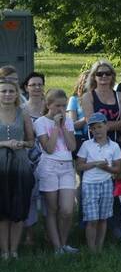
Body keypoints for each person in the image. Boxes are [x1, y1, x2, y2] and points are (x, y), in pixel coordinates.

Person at [35, 89, 78, 254]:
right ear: (48, 105)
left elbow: (72, 147)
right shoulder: (40, 122)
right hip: (49, 167)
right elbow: (49, 148)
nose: (61, 109)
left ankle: (64, 242)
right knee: (52, 209)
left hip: (67, 166)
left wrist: (63, 127)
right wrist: (54, 127)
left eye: (64, 105)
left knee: (67, 209)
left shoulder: (67, 121)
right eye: (57, 105)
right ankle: (57, 246)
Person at [76, 113, 121, 253]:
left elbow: (117, 169)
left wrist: (106, 168)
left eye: (100, 127)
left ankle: (99, 247)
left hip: (107, 183)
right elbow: (79, 166)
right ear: (90, 130)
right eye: (94, 128)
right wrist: (95, 164)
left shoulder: (114, 146)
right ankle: (91, 249)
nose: (97, 130)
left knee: (103, 218)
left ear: (107, 126)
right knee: (92, 219)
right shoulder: (86, 145)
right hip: (90, 184)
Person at [0, 77, 36, 259]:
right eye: (3, 91)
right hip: (0, 166)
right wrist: (5, 143)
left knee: (18, 206)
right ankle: (4, 251)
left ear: (17, 94)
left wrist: (21, 143)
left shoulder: (23, 113)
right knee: (2, 209)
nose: (7, 94)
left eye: (11, 91)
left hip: (20, 164)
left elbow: (31, 141)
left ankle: (14, 250)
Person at [80, 59, 121, 142]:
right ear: (94, 77)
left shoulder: (120, 96)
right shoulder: (88, 97)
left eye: (108, 73)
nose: (104, 76)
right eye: (100, 74)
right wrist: (114, 125)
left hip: (116, 141)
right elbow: (91, 122)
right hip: (94, 142)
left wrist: (101, 126)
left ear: (112, 75)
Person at [67, 69, 91, 149]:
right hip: (81, 138)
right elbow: (72, 125)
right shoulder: (74, 99)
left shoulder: (100, 98)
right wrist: (86, 118)